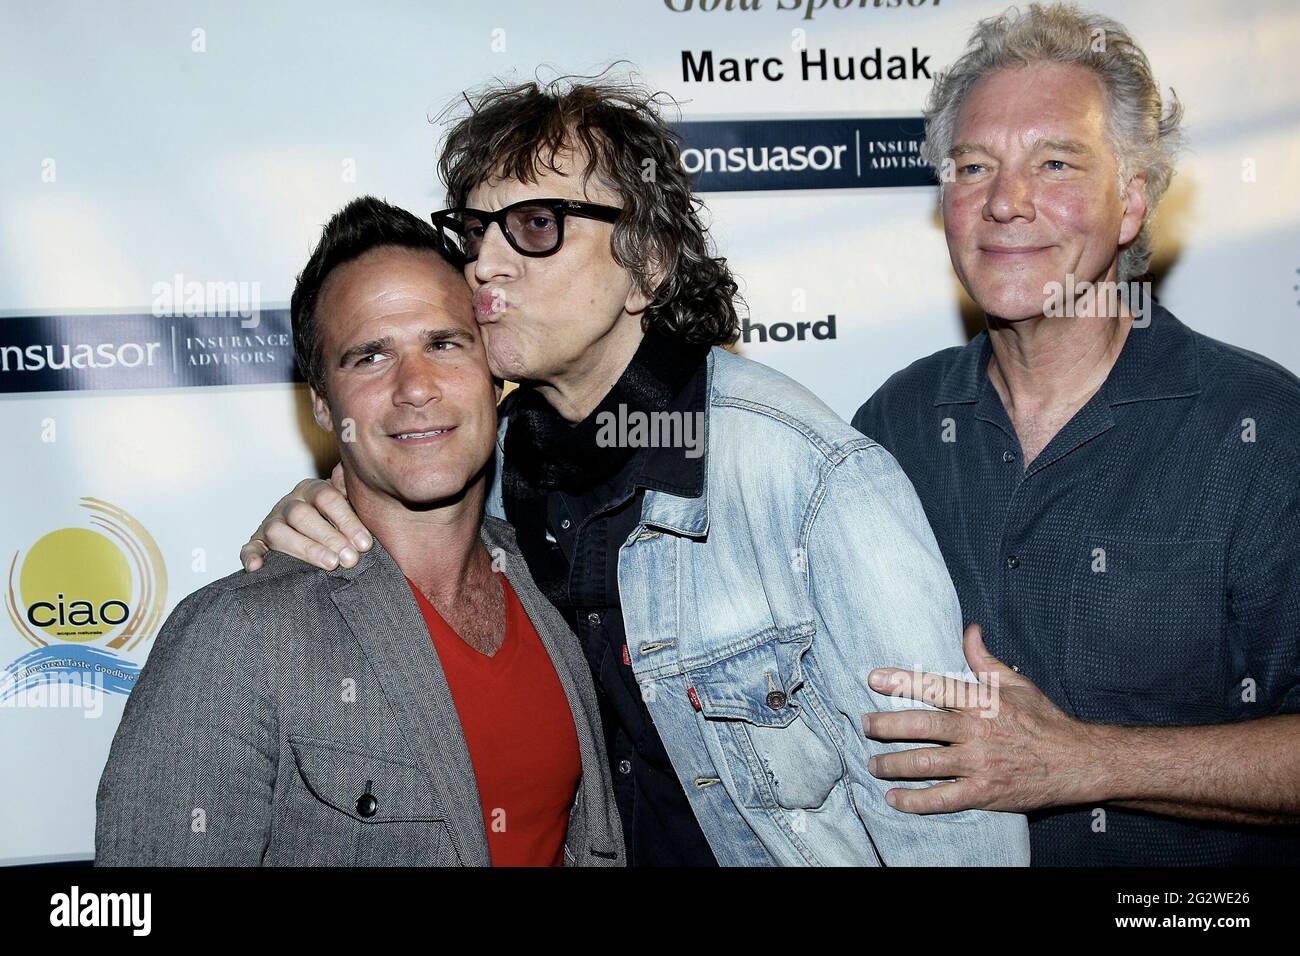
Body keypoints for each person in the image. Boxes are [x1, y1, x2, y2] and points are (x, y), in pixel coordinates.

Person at [239, 79, 1029, 866]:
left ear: (647, 263)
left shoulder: (809, 478)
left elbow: (952, 832)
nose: (485, 266)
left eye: (537, 226)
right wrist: (320, 509)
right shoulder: (492, 464)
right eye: (475, 232)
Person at [853, 3, 1300, 865]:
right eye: (974, 167)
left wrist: (1082, 761)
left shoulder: (1264, 434)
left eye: (1055, 163)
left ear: (1131, 200)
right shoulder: (893, 427)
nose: (1006, 203)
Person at [96, 197, 623, 867]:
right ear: (322, 403)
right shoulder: (235, 638)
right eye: (369, 358)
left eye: (443, 343)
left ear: (494, 371)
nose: (415, 387)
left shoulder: (562, 579)